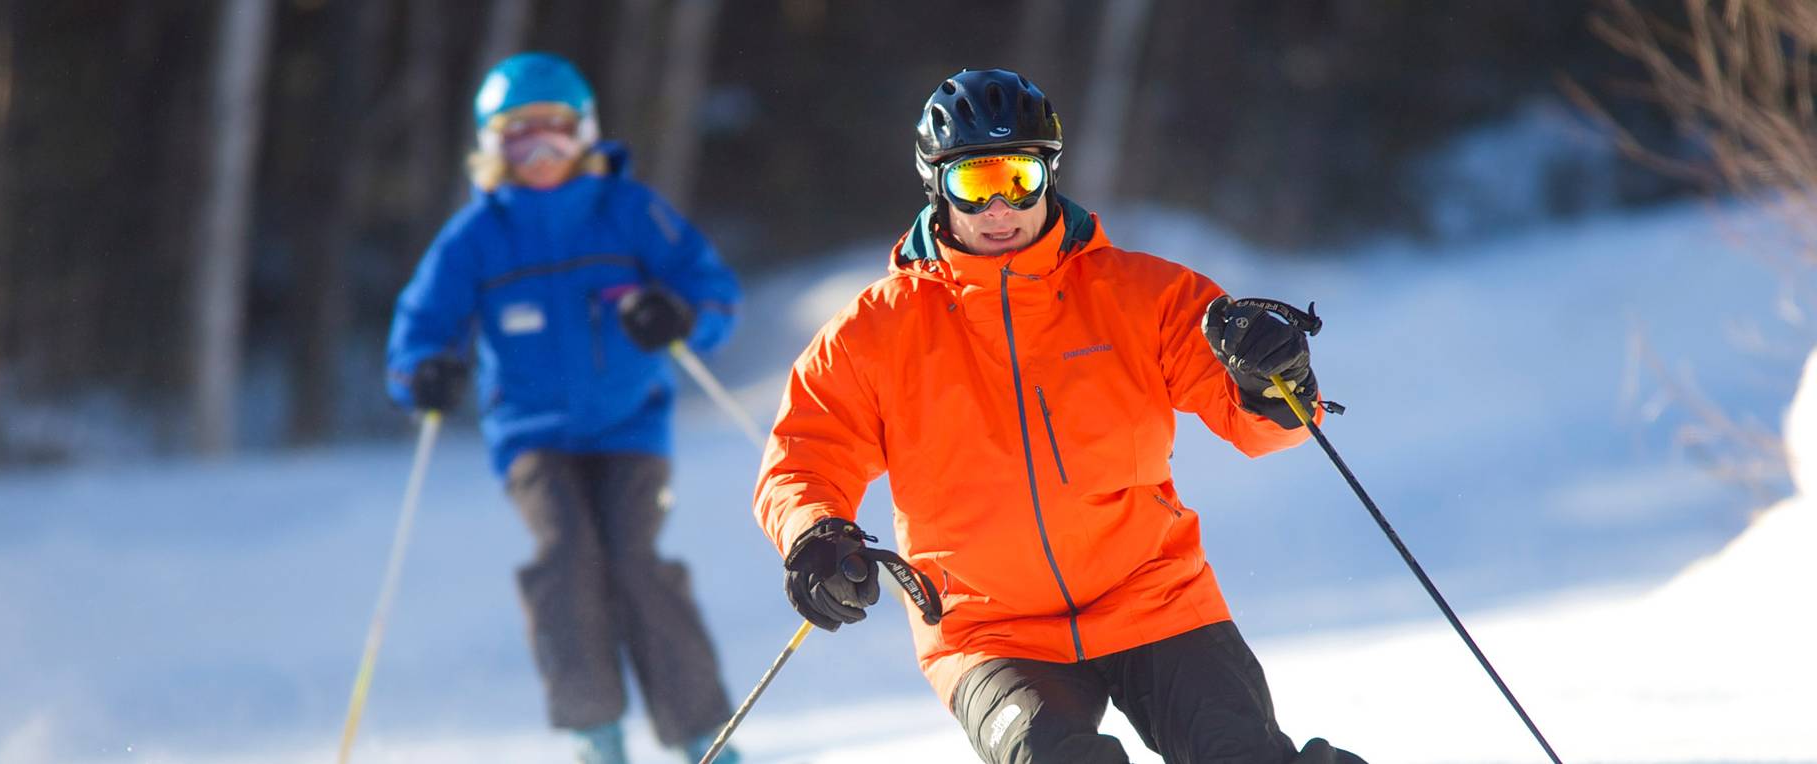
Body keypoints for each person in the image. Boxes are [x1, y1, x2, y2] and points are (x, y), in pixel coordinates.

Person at [752, 69, 1367, 763]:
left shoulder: (1142, 295)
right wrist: (816, 534)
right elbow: (803, 458)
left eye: (1018, 178)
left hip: (1151, 594)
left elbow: (1260, 424)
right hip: (990, 629)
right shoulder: (874, 333)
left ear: (1049, 174)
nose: (999, 206)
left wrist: (1275, 382)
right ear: (936, 186)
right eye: (974, 183)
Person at [386, 52, 743, 764]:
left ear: (585, 133)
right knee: (566, 558)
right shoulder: (476, 236)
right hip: (533, 437)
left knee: (634, 560)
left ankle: (701, 733)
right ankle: (594, 732)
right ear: (492, 148)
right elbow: (419, 328)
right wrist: (422, 373)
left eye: (555, 130)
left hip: (631, 425)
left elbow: (712, 292)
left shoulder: (628, 211)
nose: (540, 152)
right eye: (519, 136)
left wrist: (676, 315)